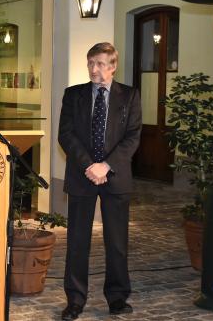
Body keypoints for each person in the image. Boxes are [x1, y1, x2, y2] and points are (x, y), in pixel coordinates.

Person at [57, 42, 142, 320]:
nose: (95, 69)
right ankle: (75, 300)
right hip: (82, 176)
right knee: (77, 242)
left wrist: (106, 166)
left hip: (115, 177)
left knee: (117, 242)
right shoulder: (74, 95)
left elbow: (132, 137)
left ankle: (117, 297)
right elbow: (66, 135)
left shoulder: (129, 96)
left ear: (113, 66)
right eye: (91, 63)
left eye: (101, 63)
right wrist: (89, 166)